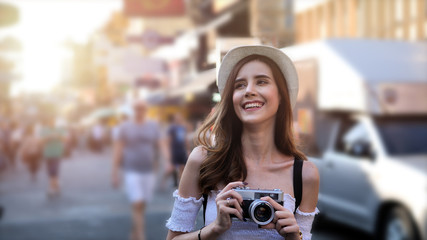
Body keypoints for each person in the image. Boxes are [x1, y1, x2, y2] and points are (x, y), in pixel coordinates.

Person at [166, 45, 319, 240]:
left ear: (281, 95)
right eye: (239, 85)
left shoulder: (305, 174)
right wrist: (214, 228)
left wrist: (293, 237)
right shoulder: (203, 160)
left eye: (261, 81)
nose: (249, 90)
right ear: (231, 99)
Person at [111, 99, 172, 240]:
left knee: (142, 204)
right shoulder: (125, 127)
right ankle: (141, 236)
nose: (139, 111)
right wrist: (114, 173)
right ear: (133, 109)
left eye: (142, 108)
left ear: (146, 110)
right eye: (137, 108)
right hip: (131, 170)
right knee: (137, 202)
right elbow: (118, 149)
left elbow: (161, 144)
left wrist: (168, 161)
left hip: (149, 170)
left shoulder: (153, 126)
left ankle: (134, 231)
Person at [40, 117, 66, 197]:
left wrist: (58, 136)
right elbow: (40, 141)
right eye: (50, 121)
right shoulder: (44, 130)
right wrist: (48, 137)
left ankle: (51, 188)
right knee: (50, 171)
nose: (52, 122)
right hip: (47, 153)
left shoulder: (60, 130)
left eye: (53, 121)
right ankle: (57, 185)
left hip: (57, 152)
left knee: (54, 170)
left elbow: (65, 139)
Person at [167, 113, 189, 187]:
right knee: (172, 167)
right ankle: (165, 181)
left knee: (182, 167)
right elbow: (169, 140)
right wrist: (169, 151)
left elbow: (185, 139)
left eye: (180, 118)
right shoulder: (172, 128)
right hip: (174, 150)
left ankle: (180, 183)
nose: (179, 119)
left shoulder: (183, 128)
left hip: (182, 150)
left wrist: (188, 149)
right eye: (177, 118)